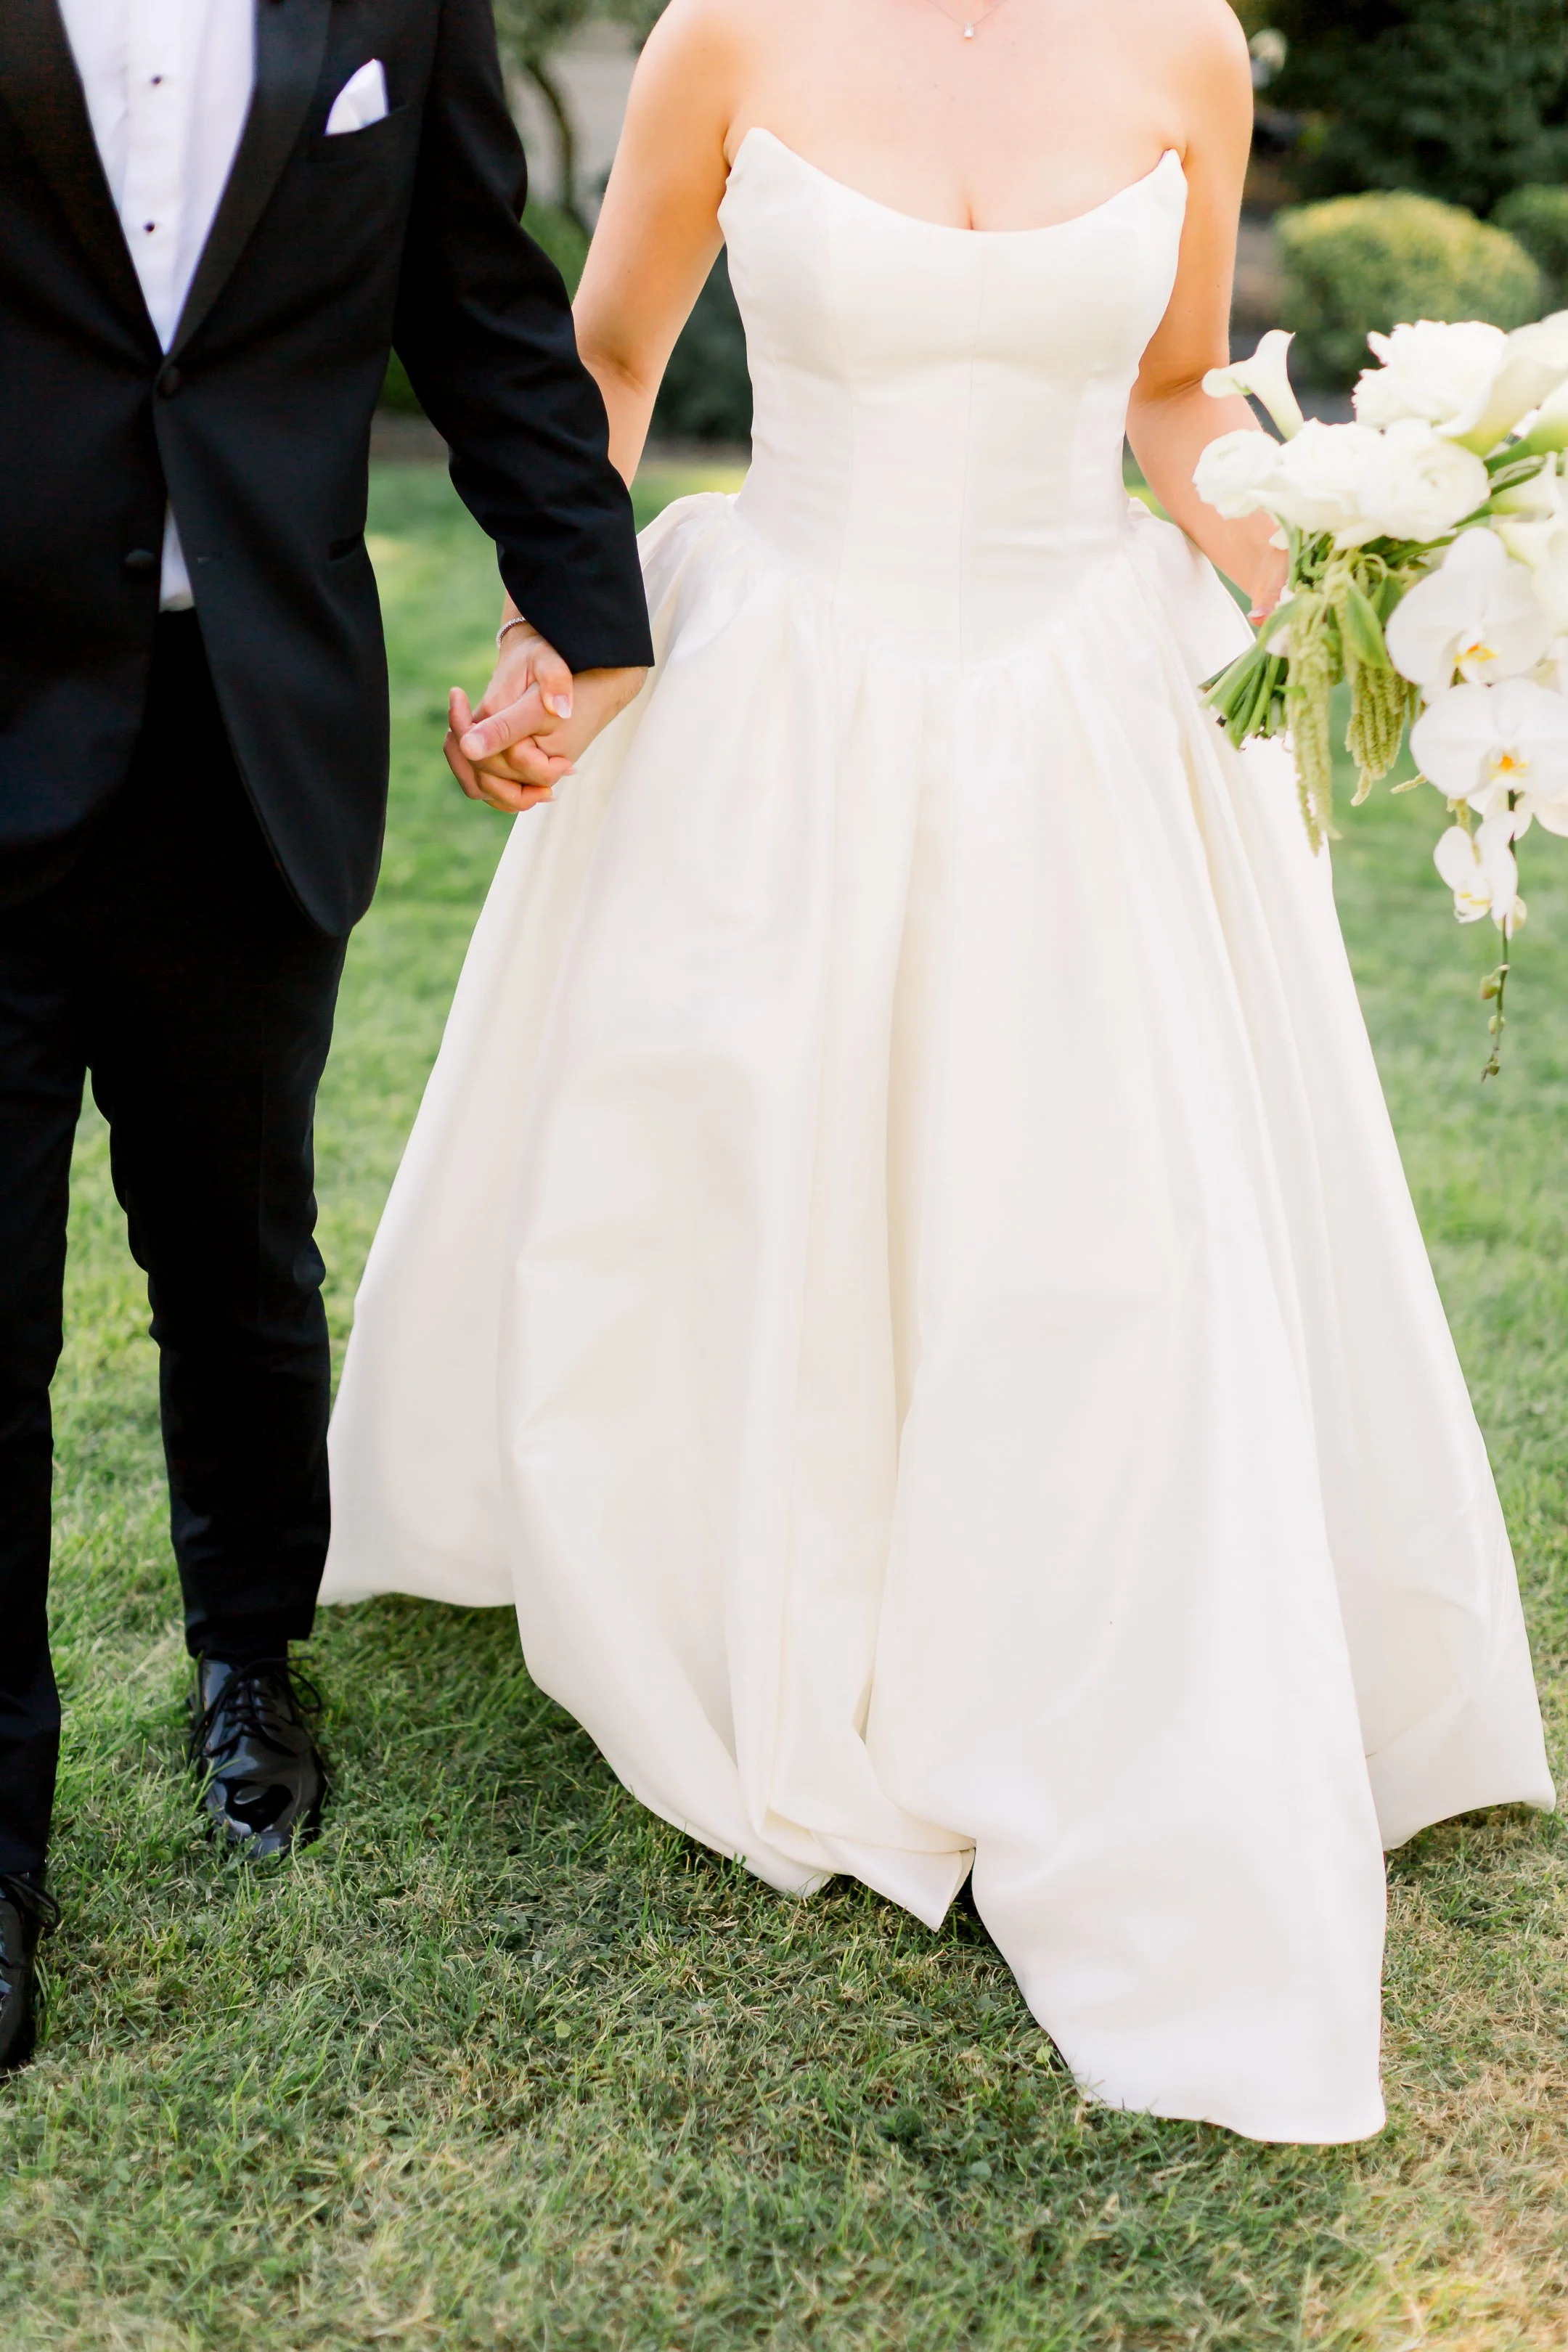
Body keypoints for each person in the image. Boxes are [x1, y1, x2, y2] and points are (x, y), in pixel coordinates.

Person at [322, 0, 1554, 2141]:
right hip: (782, 671)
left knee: (1093, 1218)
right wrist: (554, 631)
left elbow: (1173, 394)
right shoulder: (725, 30)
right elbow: (602, 367)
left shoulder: (1186, 46)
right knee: (746, 1174)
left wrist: (1359, 588)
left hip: (1085, 690)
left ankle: (1062, 1624)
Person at [0, 0, 652, 2074]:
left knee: (239, 1251)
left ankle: (250, 1655)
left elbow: (479, 305)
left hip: (250, 731)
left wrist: (592, 624)